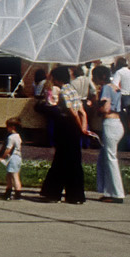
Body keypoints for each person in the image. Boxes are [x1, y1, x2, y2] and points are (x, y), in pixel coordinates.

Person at [39, 66, 95, 205]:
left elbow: (72, 112)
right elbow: (82, 111)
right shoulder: (72, 89)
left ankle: (53, 193)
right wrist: (83, 127)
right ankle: (75, 195)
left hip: (66, 127)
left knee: (60, 160)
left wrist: (77, 124)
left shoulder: (64, 91)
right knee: (75, 161)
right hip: (75, 130)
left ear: (57, 79)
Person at [95, 66, 127, 203]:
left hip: (110, 123)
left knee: (110, 158)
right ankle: (109, 190)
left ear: (99, 77)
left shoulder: (106, 89)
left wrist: (96, 107)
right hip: (118, 123)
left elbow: (106, 108)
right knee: (105, 158)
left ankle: (117, 193)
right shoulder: (115, 87)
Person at [111, 57, 130, 153]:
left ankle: (124, 144)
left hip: (123, 97)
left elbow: (114, 85)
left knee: (123, 121)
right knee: (129, 120)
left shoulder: (119, 72)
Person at [0, 116, 24, 200]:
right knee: (9, 175)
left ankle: (16, 194)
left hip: (13, 157)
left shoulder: (11, 137)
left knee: (14, 176)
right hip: (18, 157)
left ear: (12, 127)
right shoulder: (18, 136)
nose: (6, 128)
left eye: (7, 126)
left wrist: (2, 157)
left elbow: (8, 149)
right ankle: (9, 192)